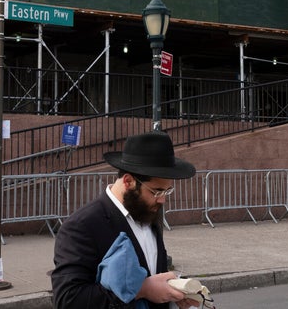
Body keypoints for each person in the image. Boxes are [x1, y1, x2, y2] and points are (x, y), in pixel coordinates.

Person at [51, 130, 200, 309]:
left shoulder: (145, 210)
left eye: (167, 191)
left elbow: (152, 272)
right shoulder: (82, 226)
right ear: (128, 182)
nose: (162, 199)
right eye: (156, 191)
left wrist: (175, 287)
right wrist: (141, 289)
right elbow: (69, 300)